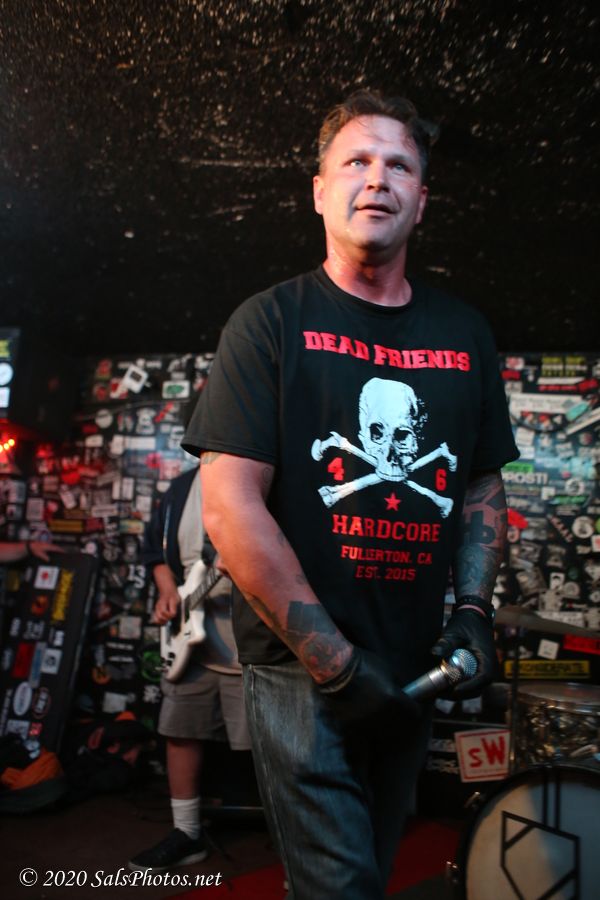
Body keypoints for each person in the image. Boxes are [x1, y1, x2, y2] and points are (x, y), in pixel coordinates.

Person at [182, 89, 519, 899]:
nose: (377, 178)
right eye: (356, 161)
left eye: (399, 165)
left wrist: (473, 608)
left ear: (421, 200)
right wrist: (333, 663)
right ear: (319, 190)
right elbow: (229, 507)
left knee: (374, 859)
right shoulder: (269, 323)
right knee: (340, 884)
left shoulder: (465, 334)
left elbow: (480, 482)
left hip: (415, 657)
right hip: (301, 668)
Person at [128, 465, 250, 874]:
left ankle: (298, 849)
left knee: (272, 749)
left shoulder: (262, 477)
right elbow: (154, 551)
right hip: (189, 644)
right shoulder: (181, 487)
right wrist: (168, 591)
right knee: (181, 732)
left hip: (250, 647)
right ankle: (187, 833)